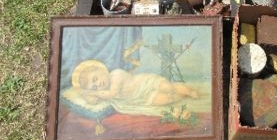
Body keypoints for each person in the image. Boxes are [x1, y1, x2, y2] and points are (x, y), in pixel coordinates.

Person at [71, 59, 199, 107]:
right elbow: (93, 101)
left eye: (95, 79)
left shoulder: (116, 74)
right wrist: (87, 93)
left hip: (146, 83)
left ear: (100, 69)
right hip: (141, 97)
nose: (98, 84)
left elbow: (111, 94)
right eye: (94, 86)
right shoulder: (103, 91)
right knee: (164, 100)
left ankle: (188, 90)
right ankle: (182, 95)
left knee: (168, 88)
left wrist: (94, 92)